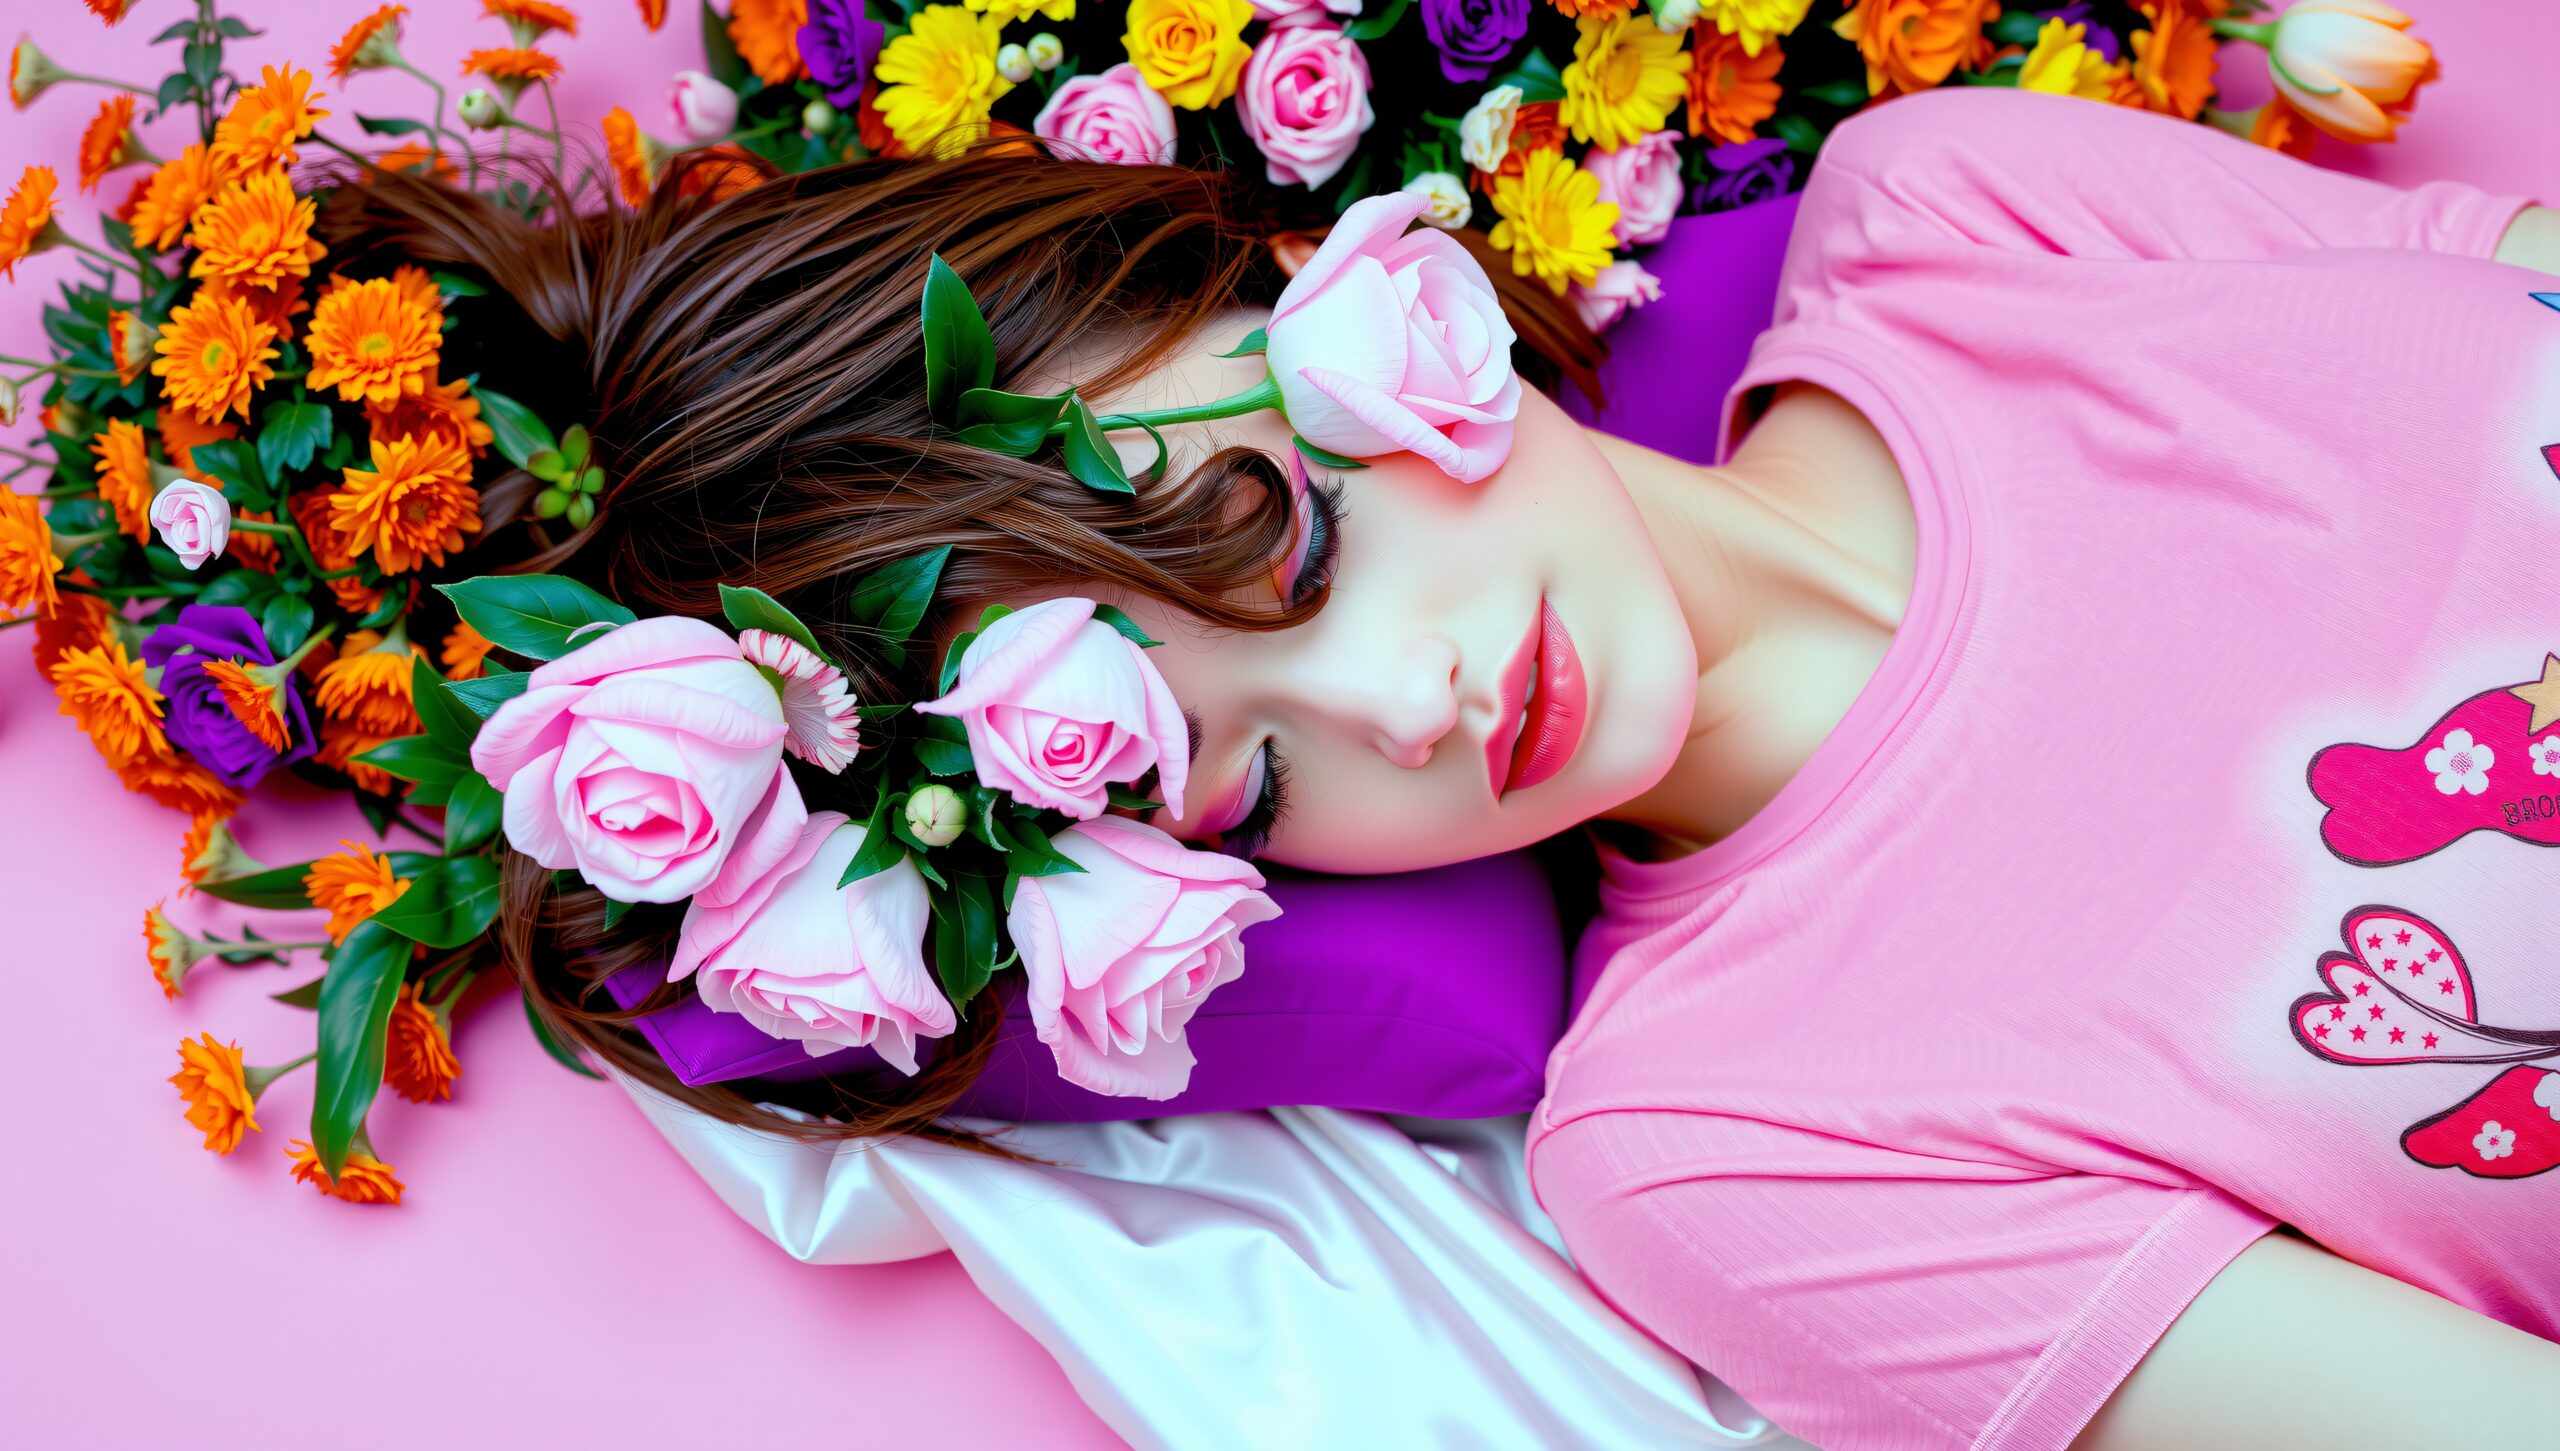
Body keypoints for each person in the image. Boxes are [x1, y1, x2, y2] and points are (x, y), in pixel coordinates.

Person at [336, 85, 2560, 1449]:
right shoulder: (1718, 1140)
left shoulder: (1965, 216)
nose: (1392, 709)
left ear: (1302, 278)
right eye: (1237, 782)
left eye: (1276, 535)